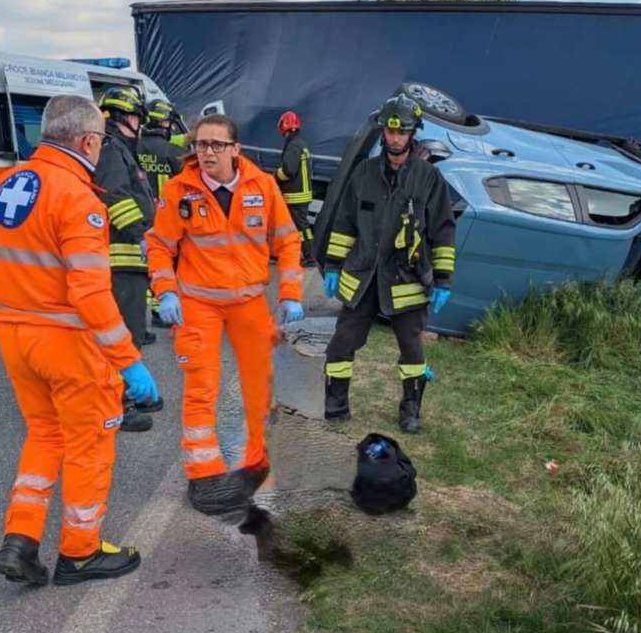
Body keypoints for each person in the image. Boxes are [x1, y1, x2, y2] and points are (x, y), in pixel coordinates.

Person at [0, 93, 160, 587]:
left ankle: (21, 538)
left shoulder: (3, 186)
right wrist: (128, 361)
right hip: (69, 345)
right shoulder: (78, 199)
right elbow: (90, 293)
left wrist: (6, 318)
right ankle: (81, 550)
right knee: (90, 444)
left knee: (44, 436)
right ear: (89, 140)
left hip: (16, 340)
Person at [146, 113, 305, 516]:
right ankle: (203, 475)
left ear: (236, 149)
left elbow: (287, 242)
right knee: (202, 387)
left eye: (217, 145)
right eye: (201, 145)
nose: (208, 153)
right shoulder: (179, 190)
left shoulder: (262, 186)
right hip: (197, 304)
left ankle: (255, 462)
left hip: (249, 302)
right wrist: (166, 292)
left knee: (260, 386)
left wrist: (290, 293)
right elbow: (160, 246)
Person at [322, 94, 456, 434]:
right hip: (363, 275)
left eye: (402, 132)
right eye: (390, 131)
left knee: (411, 349)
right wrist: (335, 265)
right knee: (341, 344)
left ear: (412, 134)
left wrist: (442, 280)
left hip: (407, 277)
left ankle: (410, 411)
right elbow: (344, 222)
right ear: (383, 132)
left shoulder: (428, 178)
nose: (395, 138)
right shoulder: (364, 174)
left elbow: (442, 231)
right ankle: (336, 406)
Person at [95, 85, 162, 431]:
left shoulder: (120, 149)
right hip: (121, 260)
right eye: (136, 116)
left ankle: (126, 396)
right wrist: (141, 235)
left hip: (130, 262)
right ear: (124, 116)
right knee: (124, 336)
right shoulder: (110, 149)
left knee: (132, 333)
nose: (140, 123)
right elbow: (116, 198)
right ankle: (116, 405)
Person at [137, 98, 189, 329]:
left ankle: (152, 310)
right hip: (169, 217)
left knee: (147, 265)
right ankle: (165, 308)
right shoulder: (174, 153)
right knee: (169, 263)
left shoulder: (131, 149)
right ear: (165, 123)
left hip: (138, 216)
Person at [274, 110, 316, 267]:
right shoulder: (300, 144)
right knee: (299, 227)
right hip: (301, 194)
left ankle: (309, 257)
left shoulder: (293, 146)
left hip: (295, 195)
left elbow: (288, 171)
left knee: (300, 228)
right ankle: (298, 254)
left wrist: (274, 177)